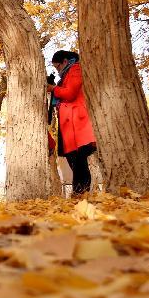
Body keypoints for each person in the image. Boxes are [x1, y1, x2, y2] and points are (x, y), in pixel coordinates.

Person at [48, 49, 97, 195]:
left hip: (77, 122)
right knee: (73, 159)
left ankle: (80, 192)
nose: (57, 71)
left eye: (58, 67)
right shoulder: (65, 75)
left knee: (79, 160)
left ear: (65, 61)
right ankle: (81, 192)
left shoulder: (76, 69)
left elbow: (70, 93)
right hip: (69, 124)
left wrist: (54, 89)